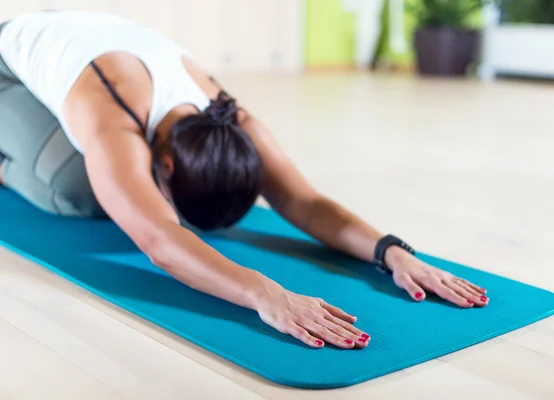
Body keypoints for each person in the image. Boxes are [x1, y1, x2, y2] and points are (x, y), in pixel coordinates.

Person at [0, 10, 488, 350]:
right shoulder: (114, 116)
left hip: (78, 41)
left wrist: (391, 251)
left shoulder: (233, 118)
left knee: (113, 184)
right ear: (165, 167)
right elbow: (159, 239)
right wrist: (261, 292)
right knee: (79, 190)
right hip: (12, 62)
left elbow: (305, 200)